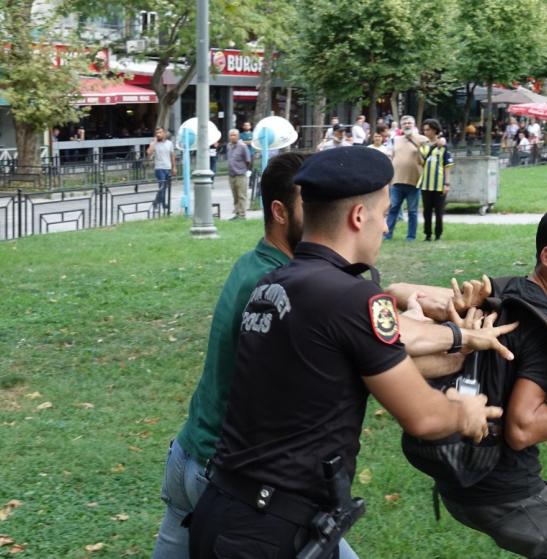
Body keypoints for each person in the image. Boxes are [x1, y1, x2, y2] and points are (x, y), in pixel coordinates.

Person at [188, 147, 513, 558]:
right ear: (359, 217)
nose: (386, 226)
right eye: (384, 212)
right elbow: (424, 417)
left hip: (224, 511)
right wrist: (462, 411)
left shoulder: (274, 283)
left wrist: (456, 340)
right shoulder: (352, 299)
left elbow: (355, 366)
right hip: (268, 534)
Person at [387, 204, 547, 558]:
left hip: (455, 478)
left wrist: (450, 306)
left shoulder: (502, 291)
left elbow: (396, 289)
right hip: (504, 493)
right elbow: (521, 430)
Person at [151, 153, 310, 558]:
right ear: (279, 211)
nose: (326, 217)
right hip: (225, 479)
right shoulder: (281, 284)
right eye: (313, 206)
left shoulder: (253, 264)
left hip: (188, 457)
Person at [385, 115, 427, 241]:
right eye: (405, 123)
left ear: (413, 125)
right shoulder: (395, 140)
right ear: (401, 126)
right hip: (397, 181)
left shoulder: (422, 139)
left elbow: (426, 157)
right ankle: (387, 235)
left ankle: (411, 237)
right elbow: (391, 157)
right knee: (393, 209)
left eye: (409, 123)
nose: (407, 125)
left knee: (413, 212)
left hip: (414, 182)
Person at [418, 118, 453, 242]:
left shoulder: (444, 147)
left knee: (439, 211)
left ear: (434, 130)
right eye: (424, 130)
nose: (425, 132)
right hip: (426, 184)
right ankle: (427, 234)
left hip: (439, 184)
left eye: (428, 129)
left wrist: (447, 183)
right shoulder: (423, 146)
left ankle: (438, 234)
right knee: (426, 211)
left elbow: (447, 166)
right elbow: (420, 162)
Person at [147, 127, 176, 212]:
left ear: (164, 133)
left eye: (160, 132)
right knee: (162, 187)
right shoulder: (154, 143)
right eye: (157, 133)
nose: (158, 134)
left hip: (168, 167)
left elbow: (172, 155)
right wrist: (155, 141)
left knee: (165, 187)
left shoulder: (169, 143)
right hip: (159, 168)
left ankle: (159, 203)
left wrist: (173, 167)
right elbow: (148, 152)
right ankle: (160, 204)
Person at [225, 128, 252, 220]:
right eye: (231, 135)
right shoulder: (229, 146)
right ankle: (237, 213)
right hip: (231, 174)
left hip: (240, 174)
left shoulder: (242, 146)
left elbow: (248, 160)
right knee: (235, 195)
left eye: (234, 135)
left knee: (241, 195)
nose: (232, 137)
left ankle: (242, 214)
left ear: (238, 136)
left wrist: (243, 169)